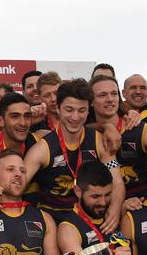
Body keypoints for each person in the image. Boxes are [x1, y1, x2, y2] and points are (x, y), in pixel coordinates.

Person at [22, 79, 125, 227]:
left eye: (81, 110)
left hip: (91, 219)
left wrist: (115, 210)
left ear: (89, 110)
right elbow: (17, 186)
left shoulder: (99, 142)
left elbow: (117, 181)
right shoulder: (42, 149)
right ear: (58, 108)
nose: (75, 117)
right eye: (69, 110)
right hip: (54, 222)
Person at [89, 75, 147, 200]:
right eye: (102, 95)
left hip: (141, 205)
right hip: (101, 207)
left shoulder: (139, 128)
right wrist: (105, 126)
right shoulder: (86, 132)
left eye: (114, 94)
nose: (110, 99)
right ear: (90, 101)